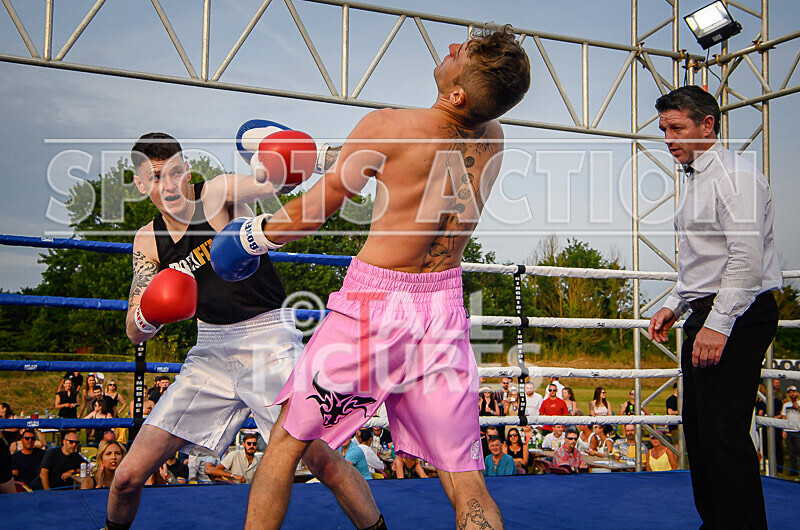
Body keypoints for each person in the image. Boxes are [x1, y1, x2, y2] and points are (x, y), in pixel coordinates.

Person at [214, 26, 530, 529]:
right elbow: (412, 172)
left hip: (378, 302)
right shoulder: (494, 136)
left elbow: (318, 210)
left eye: (460, 53)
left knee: (287, 442)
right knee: (465, 476)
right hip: (443, 308)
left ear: (457, 93)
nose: (449, 49)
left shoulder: (389, 126)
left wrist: (254, 235)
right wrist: (332, 157)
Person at [106, 133, 380, 530]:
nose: (169, 185)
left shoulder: (216, 194)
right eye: (157, 176)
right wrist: (150, 314)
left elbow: (271, 184)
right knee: (127, 477)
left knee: (321, 459)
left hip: (268, 339)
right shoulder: (147, 240)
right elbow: (134, 333)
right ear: (140, 183)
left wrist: (317, 158)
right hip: (210, 353)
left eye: (177, 171)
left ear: (188, 168)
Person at [648, 85, 782, 529]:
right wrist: (675, 304)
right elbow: (702, 260)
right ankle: (718, 523)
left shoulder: (733, 177)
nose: (668, 138)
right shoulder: (696, 178)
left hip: (737, 313)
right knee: (702, 432)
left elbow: (745, 261)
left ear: (708, 125)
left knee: (723, 434)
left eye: (677, 128)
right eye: (664, 128)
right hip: (710, 310)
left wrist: (719, 324)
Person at [778, 385, 799, 476]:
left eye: (794, 392)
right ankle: (793, 470)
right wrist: (783, 430)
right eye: (790, 392)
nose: (792, 394)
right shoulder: (786, 405)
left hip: (799, 431)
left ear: (797, 393)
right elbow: (784, 417)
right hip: (789, 431)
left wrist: (797, 407)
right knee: (791, 452)